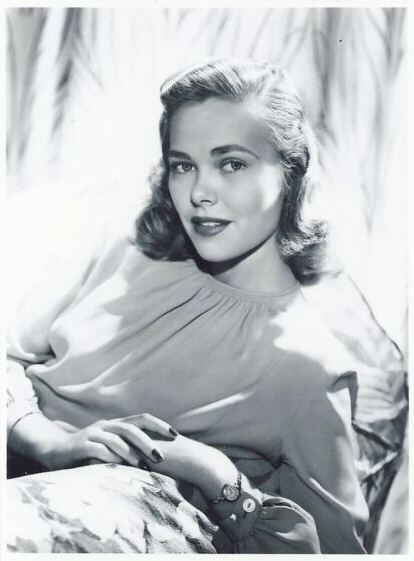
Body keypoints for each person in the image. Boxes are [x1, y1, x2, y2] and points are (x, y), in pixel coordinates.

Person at [8, 58, 388, 554]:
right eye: (183, 164)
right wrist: (44, 438)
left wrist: (216, 474)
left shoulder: (310, 372)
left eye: (231, 163)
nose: (199, 193)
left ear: (290, 172)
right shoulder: (129, 251)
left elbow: (330, 551)